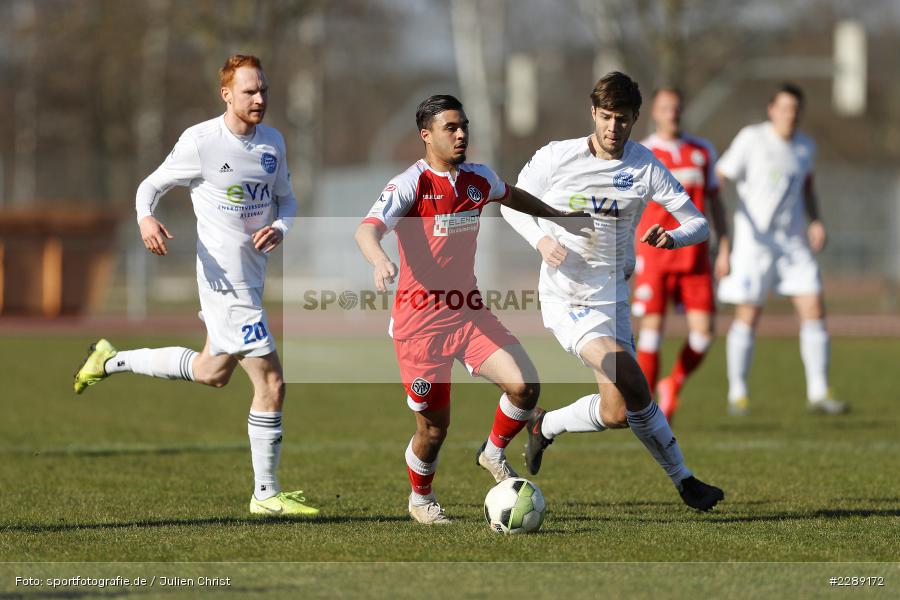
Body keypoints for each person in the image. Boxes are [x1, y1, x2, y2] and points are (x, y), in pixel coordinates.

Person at [72, 55, 319, 517]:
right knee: (272, 382)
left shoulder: (273, 142)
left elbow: (287, 199)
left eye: (263, 89)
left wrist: (282, 228)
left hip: (252, 277)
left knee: (212, 372)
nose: (260, 98)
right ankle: (266, 494)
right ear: (226, 94)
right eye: (249, 91)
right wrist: (146, 218)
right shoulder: (201, 141)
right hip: (224, 282)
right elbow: (150, 186)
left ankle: (109, 359)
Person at [354, 94, 590, 525]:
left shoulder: (478, 178)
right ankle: (420, 498)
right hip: (419, 328)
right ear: (426, 136)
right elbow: (367, 229)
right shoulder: (410, 184)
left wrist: (560, 217)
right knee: (434, 429)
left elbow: (514, 196)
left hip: (468, 312)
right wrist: (380, 260)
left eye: (464, 126)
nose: (462, 134)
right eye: (451, 128)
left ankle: (492, 451)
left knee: (525, 387)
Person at [502, 72, 724, 511]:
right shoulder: (557, 157)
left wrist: (673, 237)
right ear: (593, 114)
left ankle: (545, 427)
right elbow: (510, 202)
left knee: (618, 411)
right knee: (634, 380)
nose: (612, 128)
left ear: (635, 119)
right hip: (567, 298)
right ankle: (685, 481)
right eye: (605, 117)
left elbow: (697, 222)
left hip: (613, 299)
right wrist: (543, 240)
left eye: (622, 119)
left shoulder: (643, 165)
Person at [716, 83, 847, 416]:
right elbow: (720, 176)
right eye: (785, 108)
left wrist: (815, 220)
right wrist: (724, 230)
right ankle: (738, 393)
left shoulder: (805, 146)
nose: (791, 114)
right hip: (754, 244)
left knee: (814, 306)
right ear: (771, 109)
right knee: (749, 313)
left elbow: (806, 187)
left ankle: (818, 392)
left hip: (792, 243)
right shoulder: (751, 138)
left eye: (796, 109)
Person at [632, 87, 729, 421]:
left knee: (704, 333)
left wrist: (725, 245)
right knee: (651, 330)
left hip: (695, 255)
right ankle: (647, 409)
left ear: (682, 110)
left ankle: (672, 382)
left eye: (676, 107)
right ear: (654, 113)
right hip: (654, 254)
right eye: (665, 108)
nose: (671, 113)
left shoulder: (702, 151)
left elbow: (715, 200)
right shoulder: (642, 152)